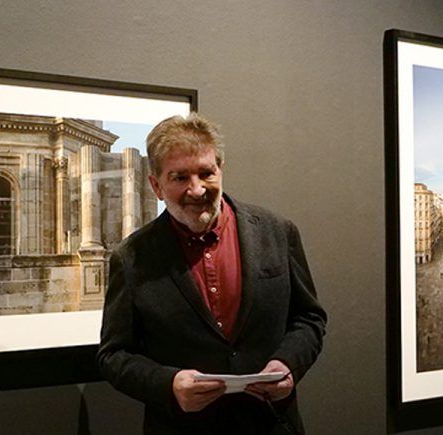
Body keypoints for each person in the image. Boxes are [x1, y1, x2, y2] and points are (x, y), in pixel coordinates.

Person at [97, 113, 327, 434]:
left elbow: (309, 319)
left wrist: (289, 364)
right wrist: (169, 385)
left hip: (272, 424)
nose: (196, 189)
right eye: (179, 178)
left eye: (207, 173)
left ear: (221, 169)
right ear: (156, 186)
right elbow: (114, 355)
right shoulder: (131, 258)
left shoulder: (277, 232)